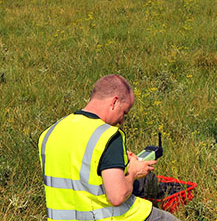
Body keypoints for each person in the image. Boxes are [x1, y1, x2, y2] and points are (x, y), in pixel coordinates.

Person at [38, 75, 179, 221]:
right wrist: (133, 172)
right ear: (115, 102)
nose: (122, 121)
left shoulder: (49, 133)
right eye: (124, 112)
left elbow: (80, 173)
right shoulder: (108, 135)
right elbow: (117, 196)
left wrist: (119, 160)